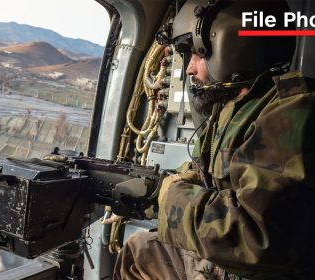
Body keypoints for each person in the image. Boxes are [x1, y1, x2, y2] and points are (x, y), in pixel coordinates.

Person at [114, 0, 315, 279]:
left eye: (196, 53)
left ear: (232, 46)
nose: (188, 69)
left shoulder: (291, 110)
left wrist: (171, 198)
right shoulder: (231, 107)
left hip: (265, 270)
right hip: (234, 263)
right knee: (141, 250)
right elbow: (207, 176)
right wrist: (163, 189)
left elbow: (256, 238)